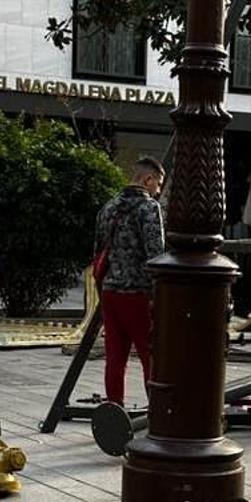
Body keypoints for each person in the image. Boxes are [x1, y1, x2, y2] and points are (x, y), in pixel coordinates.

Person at [94, 156, 165, 405]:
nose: (159, 191)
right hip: (139, 293)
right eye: (158, 184)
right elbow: (156, 254)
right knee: (151, 356)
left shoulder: (108, 207)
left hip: (110, 292)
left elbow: (98, 252)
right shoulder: (149, 208)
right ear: (148, 179)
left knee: (115, 358)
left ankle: (115, 411)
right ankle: (157, 413)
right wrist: (159, 295)